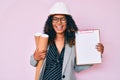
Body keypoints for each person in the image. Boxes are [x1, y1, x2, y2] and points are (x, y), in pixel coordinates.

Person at [30, 2, 104, 80]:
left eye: (63, 19)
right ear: (50, 22)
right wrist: (35, 57)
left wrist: (96, 55)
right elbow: (33, 62)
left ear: (68, 22)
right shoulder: (45, 41)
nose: (59, 22)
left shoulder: (73, 43)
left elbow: (77, 68)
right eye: (55, 19)